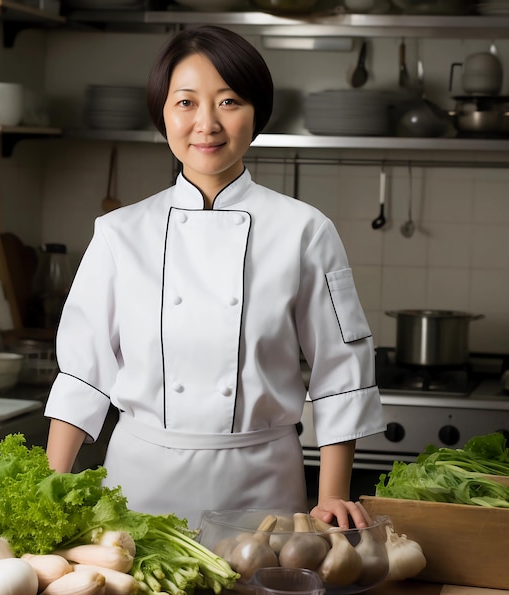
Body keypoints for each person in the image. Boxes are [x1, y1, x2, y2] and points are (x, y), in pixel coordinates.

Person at [45, 25, 385, 530]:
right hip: (136, 491)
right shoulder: (120, 233)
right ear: (162, 112)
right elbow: (82, 375)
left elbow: (341, 372)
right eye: (185, 102)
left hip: (263, 489)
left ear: (256, 114)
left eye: (228, 102)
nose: (206, 124)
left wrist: (331, 497)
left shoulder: (305, 231)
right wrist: (48, 489)